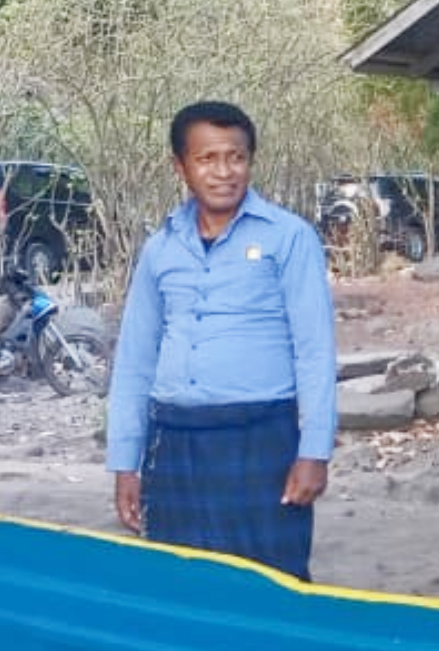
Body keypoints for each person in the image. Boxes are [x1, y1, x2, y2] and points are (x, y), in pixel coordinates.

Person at [106, 101, 337, 578]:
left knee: (272, 582)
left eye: (236, 157)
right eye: (207, 159)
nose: (223, 172)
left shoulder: (289, 238)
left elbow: (314, 351)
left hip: (260, 439)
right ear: (181, 166)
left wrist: (314, 452)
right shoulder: (160, 247)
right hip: (172, 440)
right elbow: (135, 360)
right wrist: (125, 463)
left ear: (250, 161)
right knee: (180, 584)